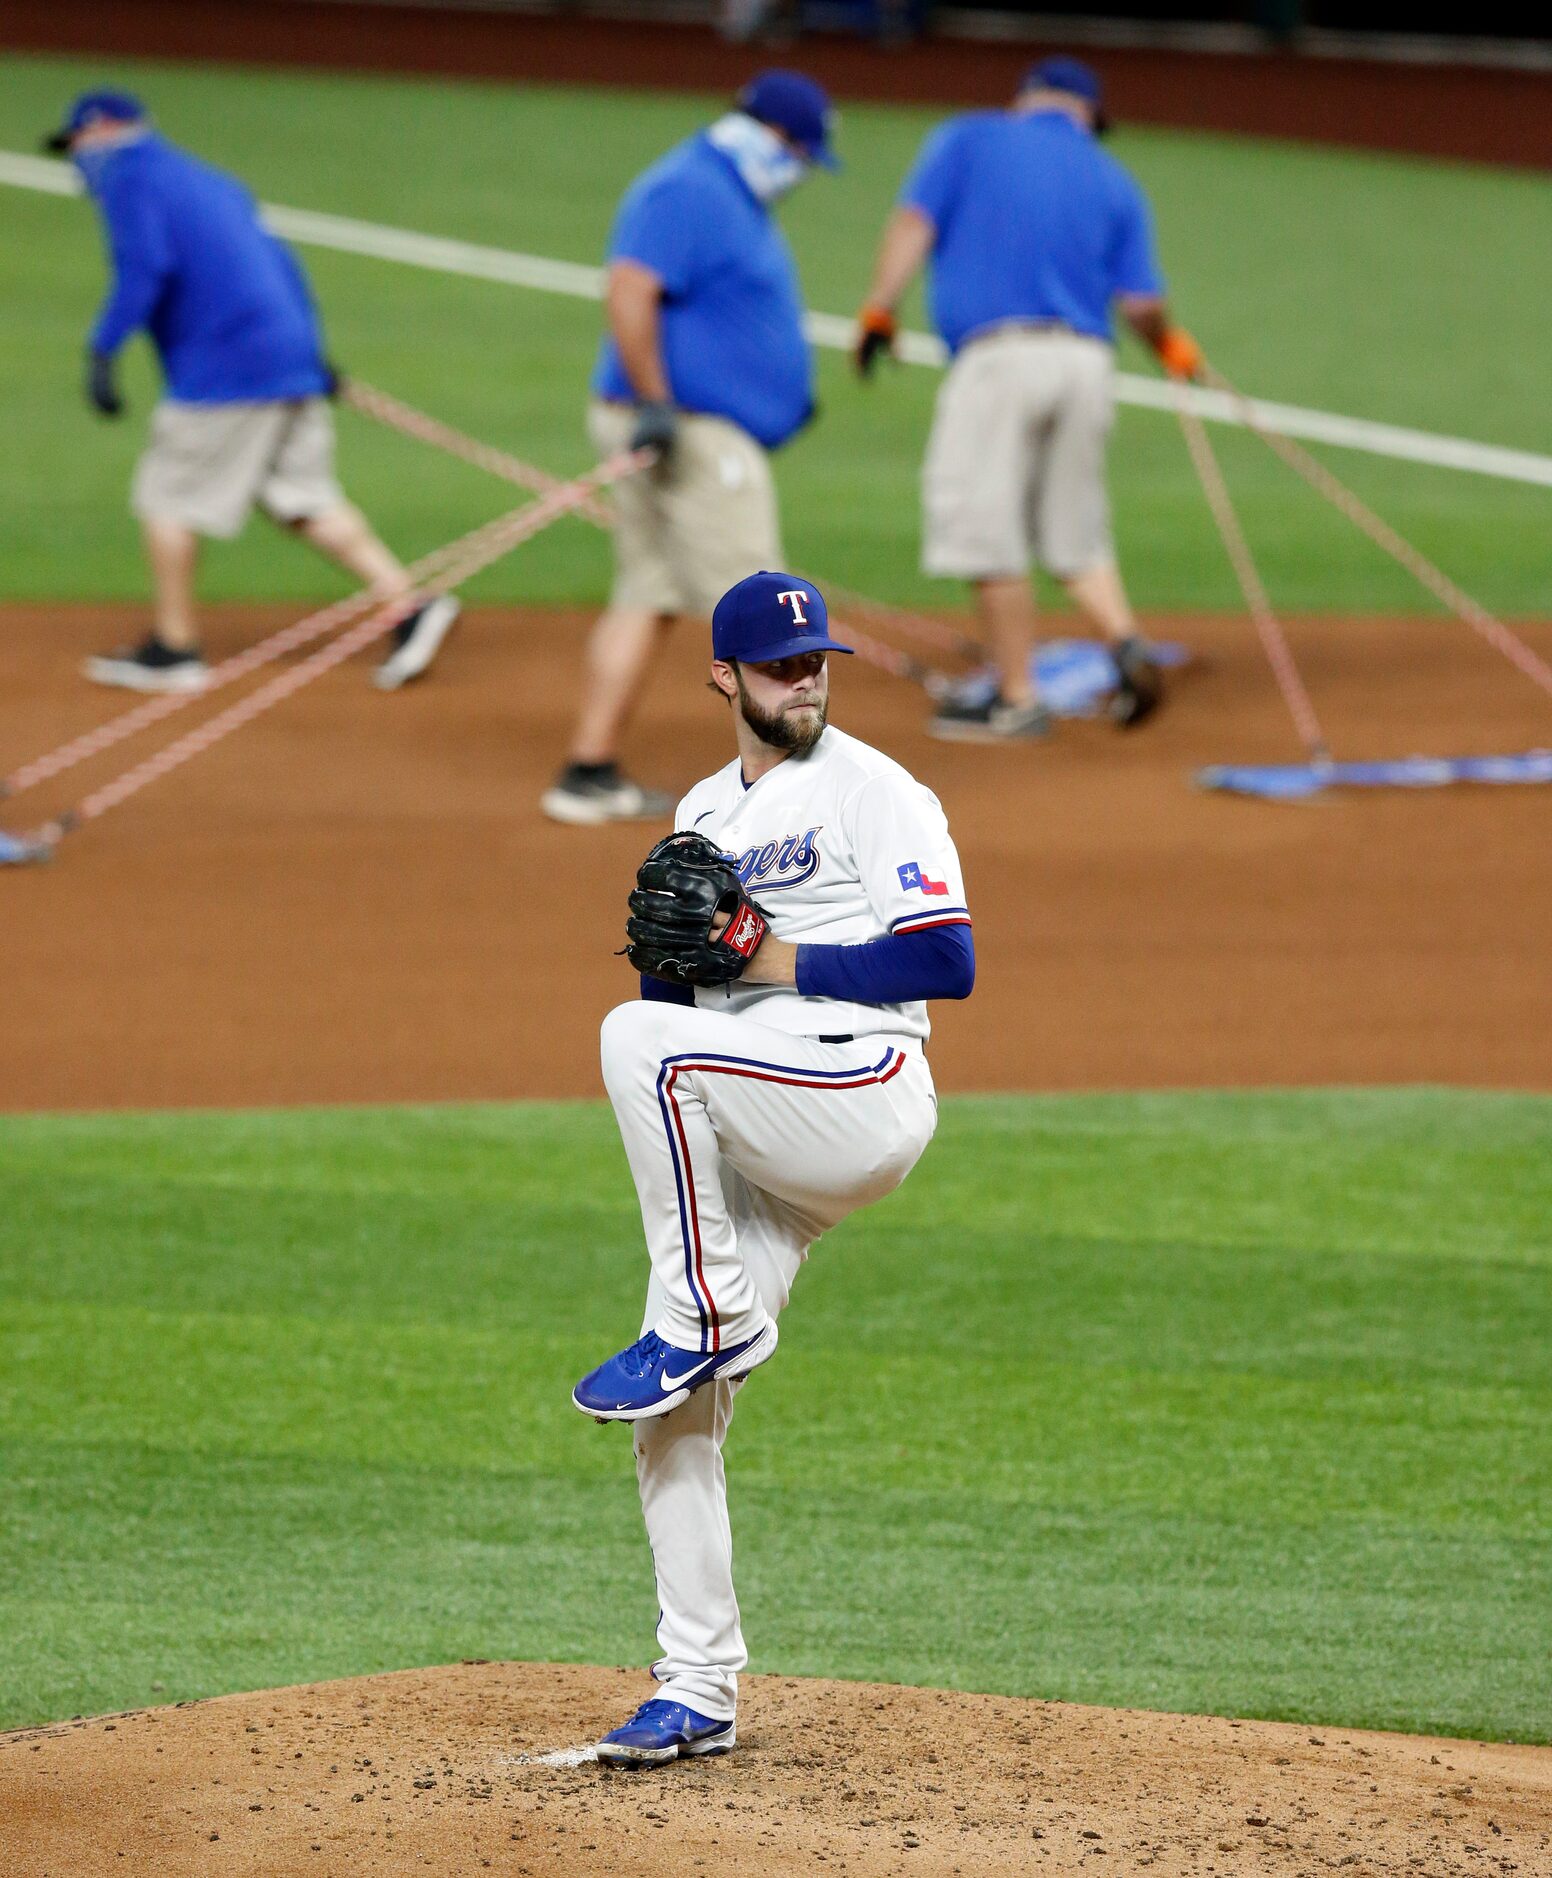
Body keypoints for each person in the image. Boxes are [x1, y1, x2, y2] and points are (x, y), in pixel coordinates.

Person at [573, 570, 974, 1764]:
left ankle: (707, 1313)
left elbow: (943, 959)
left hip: (859, 1088)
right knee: (672, 1422)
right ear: (724, 677)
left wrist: (768, 953)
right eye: (781, 668)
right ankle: (697, 1689)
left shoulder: (879, 792)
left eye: (818, 665)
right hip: (755, 1116)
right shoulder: (699, 809)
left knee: (631, 1042)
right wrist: (687, 956)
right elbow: (679, 990)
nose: (806, 683)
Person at [47, 91, 458, 695]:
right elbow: (280, 261)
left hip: (225, 367)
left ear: (104, 129)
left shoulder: (131, 180)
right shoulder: (206, 178)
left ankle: (174, 648)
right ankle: (409, 606)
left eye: (76, 142)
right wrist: (307, 355)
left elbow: (145, 268)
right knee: (302, 497)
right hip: (282, 352)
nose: (75, 157)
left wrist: (103, 350)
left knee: (167, 497)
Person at [853, 56, 1202, 740]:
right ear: (1090, 117)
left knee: (988, 526)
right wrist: (1169, 346)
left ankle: (1017, 699)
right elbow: (1142, 303)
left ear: (1025, 100)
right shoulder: (1114, 178)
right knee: (1073, 526)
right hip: (1087, 364)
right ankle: (1125, 641)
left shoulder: (969, 138)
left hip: (1000, 358)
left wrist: (878, 310)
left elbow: (912, 226)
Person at [541, 72, 837, 826]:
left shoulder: (727, 196)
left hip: (686, 426)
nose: (800, 169)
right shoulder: (690, 188)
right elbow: (630, 290)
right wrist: (660, 403)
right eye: (800, 152)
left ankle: (588, 769)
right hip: (687, 433)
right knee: (769, 613)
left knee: (647, 594)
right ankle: (795, 799)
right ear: (767, 133)